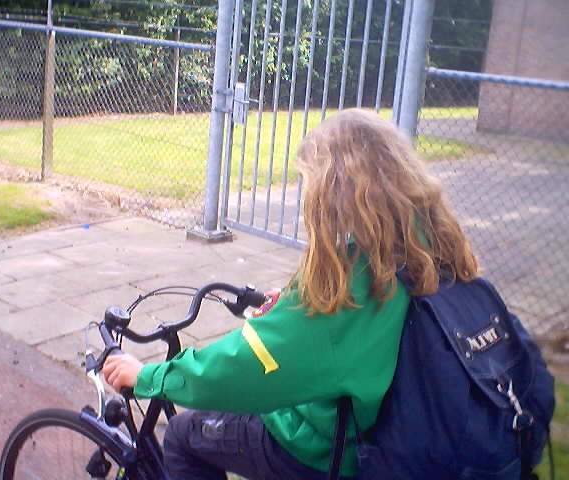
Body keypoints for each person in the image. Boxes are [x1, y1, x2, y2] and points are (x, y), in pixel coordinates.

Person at [103, 108, 479, 479]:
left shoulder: (349, 282)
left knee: (182, 436)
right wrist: (295, 307)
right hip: (399, 434)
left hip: (324, 450)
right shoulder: (427, 246)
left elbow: (238, 368)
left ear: (334, 191)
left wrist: (148, 376)